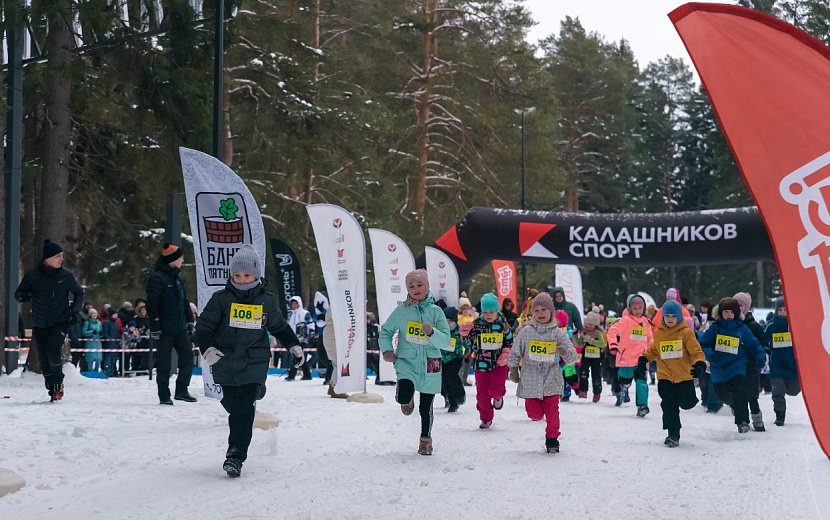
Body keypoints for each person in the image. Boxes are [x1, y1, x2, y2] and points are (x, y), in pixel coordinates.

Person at [195, 245, 302, 477]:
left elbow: (279, 327)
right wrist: (208, 349)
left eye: (247, 275)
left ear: (256, 275)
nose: (242, 280)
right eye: (237, 275)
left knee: (242, 411)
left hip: (254, 362)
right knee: (234, 408)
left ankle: (235, 455)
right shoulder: (221, 300)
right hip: (225, 362)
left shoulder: (266, 301)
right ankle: (253, 394)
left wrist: (293, 344)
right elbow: (203, 327)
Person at [379, 269, 451, 455]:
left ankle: (425, 440)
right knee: (403, 396)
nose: (416, 289)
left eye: (420, 285)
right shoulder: (402, 310)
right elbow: (386, 331)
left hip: (431, 362)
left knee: (425, 407)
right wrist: (387, 349)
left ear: (427, 287)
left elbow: (447, 342)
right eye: (411, 286)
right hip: (406, 361)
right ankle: (406, 397)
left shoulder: (436, 312)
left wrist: (432, 333)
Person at [14, 239, 85, 401]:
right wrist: (23, 296)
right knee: (44, 358)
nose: (61, 258)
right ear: (47, 258)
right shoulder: (33, 275)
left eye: (62, 255)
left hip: (60, 320)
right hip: (40, 322)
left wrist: (74, 312)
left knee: (52, 351)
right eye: (58, 256)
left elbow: (79, 293)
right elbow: (19, 294)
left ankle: (58, 382)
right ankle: (51, 386)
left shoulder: (66, 275)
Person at [508, 292, 578, 454]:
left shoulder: (558, 333)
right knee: (534, 414)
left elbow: (572, 356)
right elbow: (515, 352)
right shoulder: (526, 332)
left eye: (544, 310)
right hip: (530, 379)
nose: (540, 313)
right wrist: (513, 369)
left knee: (553, 410)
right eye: (536, 310)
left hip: (551, 378)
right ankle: (538, 414)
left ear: (551, 312)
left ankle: (552, 439)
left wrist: (564, 352)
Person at [639, 300, 706, 447]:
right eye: (667, 316)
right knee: (669, 405)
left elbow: (696, 352)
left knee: (687, 403)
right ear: (662, 317)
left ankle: (688, 401)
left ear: (679, 317)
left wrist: (700, 364)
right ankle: (673, 434)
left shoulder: (686, 333)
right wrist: (644, 359)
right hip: (665, 377)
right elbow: (654, 350)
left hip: (684, 376)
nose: (670, 319)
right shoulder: (658, 333)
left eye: (673, 316)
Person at [699, 297, 766, 433]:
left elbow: (753, 344)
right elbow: (703, 344)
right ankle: (734, 405)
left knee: (740, 392)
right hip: (719, 370)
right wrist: (711, 355)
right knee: (724, 396)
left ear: (736, 313)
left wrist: (760, 356)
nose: (728, 315)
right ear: (721, 313)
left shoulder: (741, 328)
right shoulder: (715, 328)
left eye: (731, 312)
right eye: (725, 312)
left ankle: (743, 422)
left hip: (737, 367)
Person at [145, 243, 198, 405]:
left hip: (180, 327)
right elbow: (152, 305)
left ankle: (182, 390)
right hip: (164, 329)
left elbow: (184, 301)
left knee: (188, 357)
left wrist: (189, 320)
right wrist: (155, 327)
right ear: (173, 260)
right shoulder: (157, 278)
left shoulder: (178, 277)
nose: (183, 260)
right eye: (180, 257)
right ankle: (164, 395)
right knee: (164, 364)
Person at [461, 292, 514, 429]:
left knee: (495, 389)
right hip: (480, 364)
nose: (488, 315)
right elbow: (467, 343)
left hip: (499, 364)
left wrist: (506, 353)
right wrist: (464, 333)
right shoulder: (477, 324)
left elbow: (509, 341)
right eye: (485, 312)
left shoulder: (503, 324)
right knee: (482, 396)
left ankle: (498, 397)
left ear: (497, 311)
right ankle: (485, 418)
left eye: (491, 311)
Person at [607, 294, 653, 416]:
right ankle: (624, 384)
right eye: (635, 308)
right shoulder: (625, 321)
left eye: (640, 308)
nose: (637, 311)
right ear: (630, 309)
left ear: (643, 309)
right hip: (626, 358)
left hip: (640, 359)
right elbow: (612, 331)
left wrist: (652, 352)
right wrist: (613, 345)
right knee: (625, 380)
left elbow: (649, 338)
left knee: (641, 381)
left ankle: (642, 406)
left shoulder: (646, 322)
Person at [733, 291, 769, 431]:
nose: (738, 308)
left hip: (751, 365)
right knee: (739, 395)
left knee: (752, 395)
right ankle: (742, 421)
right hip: (735, 366)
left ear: (746, 307)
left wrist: (763, 355)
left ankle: (757, 419)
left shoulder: (753, 325)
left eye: (740, 305)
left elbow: (762, 342)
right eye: (735, 305)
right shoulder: (728, 325)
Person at [764, 297, 800, 426]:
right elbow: (764, 342)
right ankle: (780, 415)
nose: (783, 313)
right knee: (777, 391)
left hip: (792, 366)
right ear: (776, 311)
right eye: (780, 310)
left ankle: (786, 388)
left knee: (794, 390)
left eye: (786, 310)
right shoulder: (771, 327)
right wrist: (765, 353)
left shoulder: (795, 327)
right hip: (777, 365)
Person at [440, 306, 467, 413]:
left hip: (456, 357)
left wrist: (468, 349)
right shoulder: (440, 330)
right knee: (445, 380)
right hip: (442, 358)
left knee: (452, 375)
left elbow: (465, 341)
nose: (447, 323)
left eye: (449, 320)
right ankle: (452, 403)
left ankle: (460, 394)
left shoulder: (459, 331)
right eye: (445, 320)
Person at [577, 311, 606, 402]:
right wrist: (575, 335)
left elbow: (602, 343)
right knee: (583, 372)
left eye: (592, 324)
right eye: (588, 324)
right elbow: (578, 343)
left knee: (596, 375)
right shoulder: (584, 331)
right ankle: (583, 391)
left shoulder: (598, 333)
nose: (589, 326)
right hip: (586, 355)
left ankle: (597, 393)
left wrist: (592, 341)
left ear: (596, 325)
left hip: (597, 357)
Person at [284, 296, 314, 381]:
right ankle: (307, 375)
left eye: (295, 303)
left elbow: (310, 324)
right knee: (300, 357)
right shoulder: (291, 314)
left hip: (302, 339)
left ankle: (291, 375)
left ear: (299, 303)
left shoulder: (305, 313)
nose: (293, 305)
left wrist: (311, 336)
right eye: (292, 303)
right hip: (293, 338)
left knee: (297, 356)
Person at [322, 310, 349, 399]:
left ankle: (333, 386)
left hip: (334, 335)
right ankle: (334, 387)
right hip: (332, 336)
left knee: (338, 364)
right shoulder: (335, 305)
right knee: (339, 364)